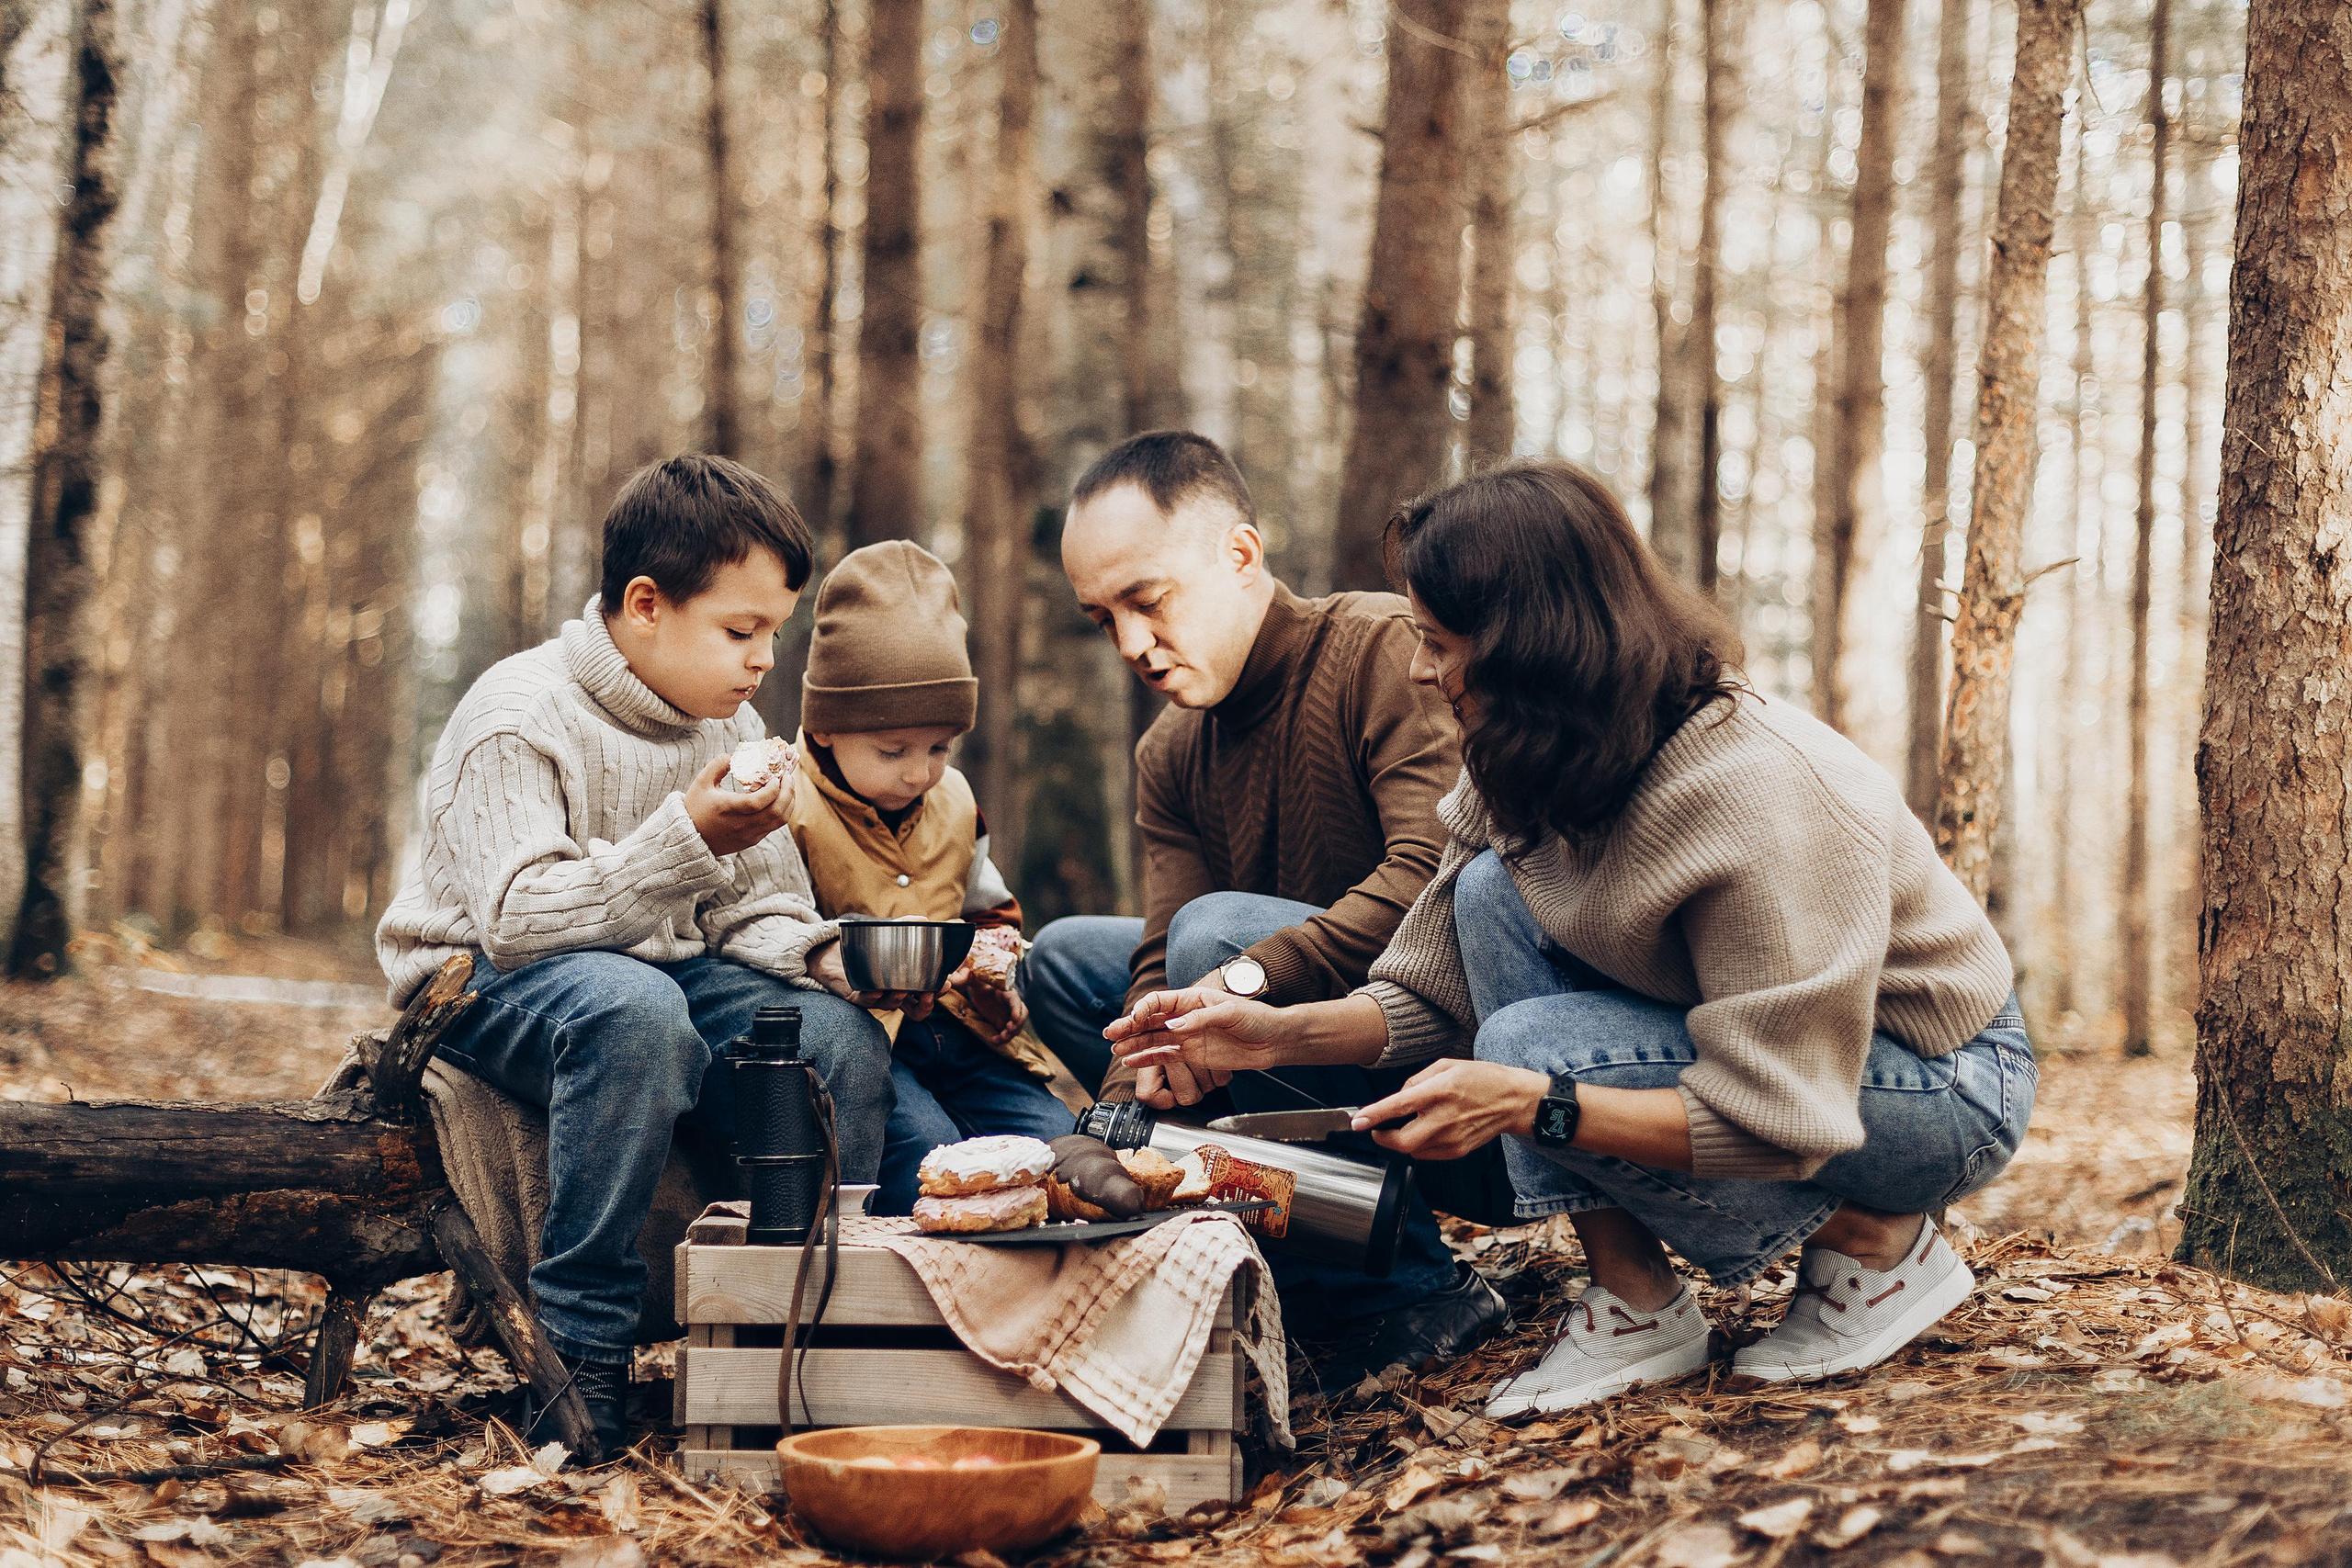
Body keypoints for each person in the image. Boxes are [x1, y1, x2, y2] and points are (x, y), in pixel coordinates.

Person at [1107, 460, 2034, 1416]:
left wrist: (1535, 1102)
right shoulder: (1525, 754)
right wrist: (1271, 1036)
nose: (1419, 668)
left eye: (1435, 643)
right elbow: (1429, 990)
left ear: (1525, 644)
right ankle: (1637, 1302)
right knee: (1482, 897)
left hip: (1941, 1081)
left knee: (1525, 1049)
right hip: (1769, 1058)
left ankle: (1875, 1244)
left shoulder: (1759, 792)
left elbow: (1776, 1112)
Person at [377, 455, 898, 1451]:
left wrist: (833, 961)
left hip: (654, 968)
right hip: (483, 979)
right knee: (633, 1015)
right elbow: (519, 919)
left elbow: (757, 915)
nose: (762, 664)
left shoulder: (731, 725)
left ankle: (790, 1340)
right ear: (646, 605)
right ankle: (579, 1362)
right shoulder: (518, 714)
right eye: (740, 632)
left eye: (772, 635)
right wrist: (684, 837)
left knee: (833, 1041)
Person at [1023, 430, 1510, 1389]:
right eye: (1100, 617)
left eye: (1145, 601)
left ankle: (1415, 1291)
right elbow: (1160, 956)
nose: (1128, 644)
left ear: (1239, 556)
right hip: (1302, 1090)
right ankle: (1286, 1245)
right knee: (1068, 960)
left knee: (1215, 938)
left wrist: (1244, 982)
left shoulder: (1382, 650)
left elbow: (1433, 873)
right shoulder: (1169, 754)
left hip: (1461, 1078)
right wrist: (1118, 1114)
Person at [785, 539, 1087, 1214]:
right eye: (892, 750)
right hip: (866, 1046)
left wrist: (994, 961)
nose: (920, 771)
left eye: (938, 747)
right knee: (929, 1155)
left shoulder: (953, 801)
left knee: (1058, 1154)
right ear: (826, 725)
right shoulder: (786, 805)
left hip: (966, 1033)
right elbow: (769, 938)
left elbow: (992, 911)